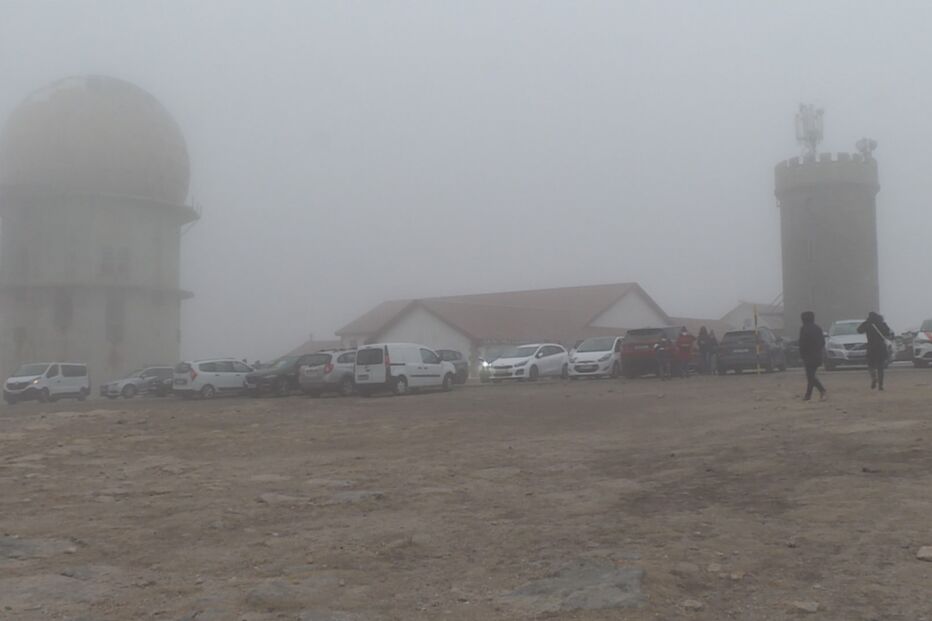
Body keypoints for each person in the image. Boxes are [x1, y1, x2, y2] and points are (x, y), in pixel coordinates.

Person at [857, 312, 893, 391]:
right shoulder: (882, 323)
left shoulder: (867, 324)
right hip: (881, 347)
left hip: (871, 347)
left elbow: (859, 330)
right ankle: (881, 385)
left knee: (870, 365)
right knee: (880, 367)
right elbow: (888, 333)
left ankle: (874, 377)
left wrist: (866, 322)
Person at [798, 311, 826, 401]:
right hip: (817, 356)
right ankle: (808, 395)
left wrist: (802, 355)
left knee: (810, 376)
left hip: (808, 356)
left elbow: (802, 344)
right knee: (811, 376)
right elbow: (823, 342)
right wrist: (818, 349)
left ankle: (821, 390)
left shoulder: (804, 329)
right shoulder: (818, 328)